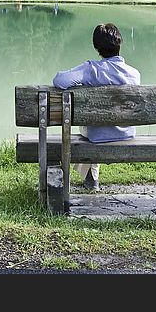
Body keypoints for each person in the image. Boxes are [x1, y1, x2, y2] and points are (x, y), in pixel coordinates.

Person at [52, 22, 141, 191]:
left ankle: (91, 179)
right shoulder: (134, 74)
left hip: (98, 135)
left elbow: (59, 81)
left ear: (97, 47)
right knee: (94, 125)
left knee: (88, 128)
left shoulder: (92, 69)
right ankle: (92, 178)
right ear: (119, 44)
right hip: (127, 133)